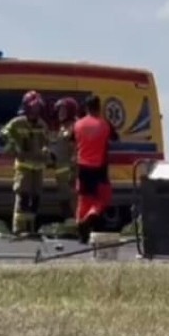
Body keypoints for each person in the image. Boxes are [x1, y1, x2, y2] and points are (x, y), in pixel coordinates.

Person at [0, 91, 50, 236]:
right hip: (23, 167)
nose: (35, 111)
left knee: (35, 199)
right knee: (23, 196)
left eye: (37, 108)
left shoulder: (42, 125)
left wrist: (46, 151)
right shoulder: (17, 123)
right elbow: (3, 136)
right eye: (33, 108)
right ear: (26, 108)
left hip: (38, 168)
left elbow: (46, 142)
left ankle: (30, 229)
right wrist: (13, 148)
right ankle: (19, 228)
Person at [72, 95, 119, 243]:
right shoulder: (104, 125)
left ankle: (81, 231)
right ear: (99, 107)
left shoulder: (77, 125)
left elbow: (72, 139)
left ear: (86, 108)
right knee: (104, 199)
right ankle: (91, 216)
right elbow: (115, 138)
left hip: (82, 167)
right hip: (99, 168)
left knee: (83, 200)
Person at [51, 97, 79, 221]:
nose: (60, 113)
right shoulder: (63, 128)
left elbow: (75, 149)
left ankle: (77, 228)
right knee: (64, 204)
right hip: (61, 176)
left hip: (70, 175)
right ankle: (70, 228)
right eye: (59, 110)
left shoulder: (75, 127)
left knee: (72, 203)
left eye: (63, 110)